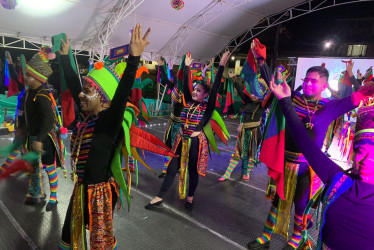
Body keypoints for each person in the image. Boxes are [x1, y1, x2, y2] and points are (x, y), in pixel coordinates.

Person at [248, 65, 363, 250]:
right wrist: (261, 61)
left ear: (324, 85)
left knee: (301, 206)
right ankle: (266, 235)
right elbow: (274, 83)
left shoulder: (330, 107)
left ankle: (296, 238)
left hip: (308, 167)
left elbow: (357, 98)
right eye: (306, 80)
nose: (308, 84)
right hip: (285, 161)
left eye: (314, 81)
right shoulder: (292, 98)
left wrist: (352, 75)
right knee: (277, 201)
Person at [58, 24, 151, 249]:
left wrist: (134, 58)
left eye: (88, 91)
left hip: (100, 195)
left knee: (101, 243)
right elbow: (74, 87)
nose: (81, 95)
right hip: (81, 189)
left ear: (103, 100)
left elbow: (121, 94)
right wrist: (64, 58)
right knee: (69, 237)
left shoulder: (109, 123)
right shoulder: (87, 117)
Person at [145, 51, 230, 210]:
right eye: (195, 90)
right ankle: (159, 197)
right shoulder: (189, 101)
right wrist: (186, 66)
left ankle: (190, 197)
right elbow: (185, 83)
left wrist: (222, 65)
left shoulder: (207, 107)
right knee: (171, 168)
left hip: (196, 143)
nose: (195, 92)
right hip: (181, 140)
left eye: (199, 91)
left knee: (193, 171)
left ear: (205, 95)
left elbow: (216, 86)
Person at [7, 47, 65, 211]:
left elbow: (49, 120)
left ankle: (53, 197)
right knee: (33, 166)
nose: (25, 78)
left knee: (48, 167)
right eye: (25, 74)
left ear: (40, 78)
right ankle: (36, 194)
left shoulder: (42, 95)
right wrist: (21, 132)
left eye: (29, 76)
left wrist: (39, 138)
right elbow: (24, 117)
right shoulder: (27, 94)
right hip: (32, 137)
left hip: (44, 137)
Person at [219, 38, 272, 181]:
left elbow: (272, 90)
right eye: (254, 90)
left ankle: (246, 173)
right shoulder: (248, 100)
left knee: (250, 153)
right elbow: (242, 93)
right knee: (237, 152)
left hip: (256, 132)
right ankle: (227, 174)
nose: (254, 93)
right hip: (244, 130)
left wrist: (260, 61)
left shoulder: (263, 104)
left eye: (258, 91)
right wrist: (234, 80)